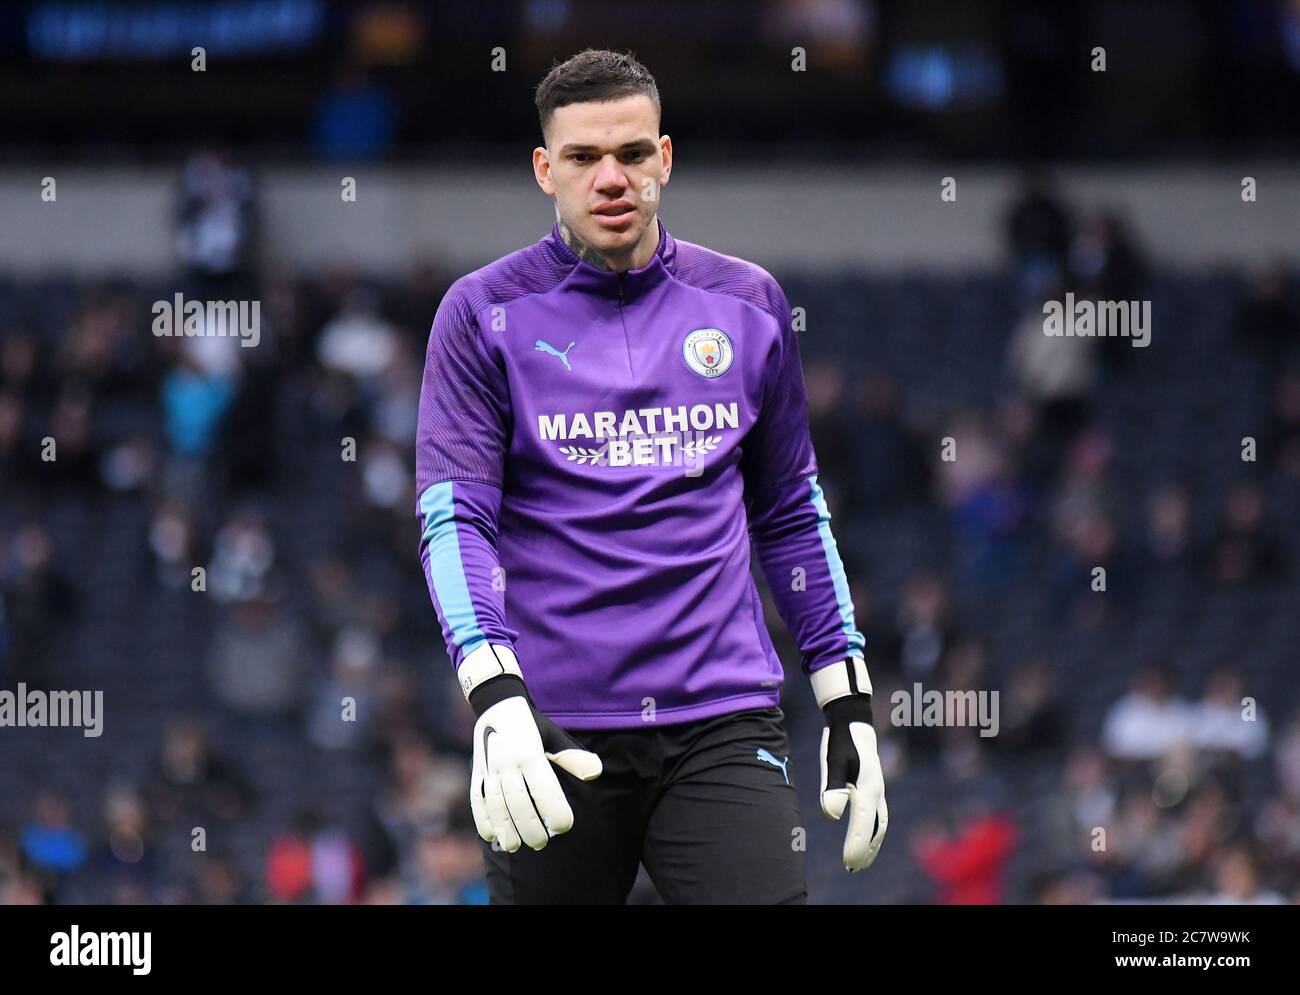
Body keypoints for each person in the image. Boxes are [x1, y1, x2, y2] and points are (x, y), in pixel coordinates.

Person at [414, 49, 886, 904]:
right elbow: (455, 522)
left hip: (721, 721)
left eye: (632, 154)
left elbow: (789, 514)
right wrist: (493, 692)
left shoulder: (749, 304)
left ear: (664, 159)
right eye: (584, 158)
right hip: (551, 729)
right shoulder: (479, 315)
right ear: (544, 169)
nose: (610, 178)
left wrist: (847, 696)